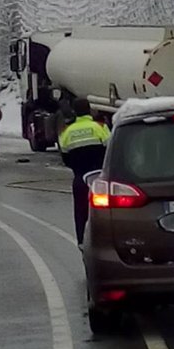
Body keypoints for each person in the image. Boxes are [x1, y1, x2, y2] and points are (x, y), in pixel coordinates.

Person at [59, 97, 111, 244]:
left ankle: (82, 240)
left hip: (80, 178)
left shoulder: (67, 132)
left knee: (80, 211)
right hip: (100, 179)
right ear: (89, 110)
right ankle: (106, 240)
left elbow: (66, 158)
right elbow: (110, 151)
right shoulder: (100, 127)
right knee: (106, 211)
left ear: (75, 112)